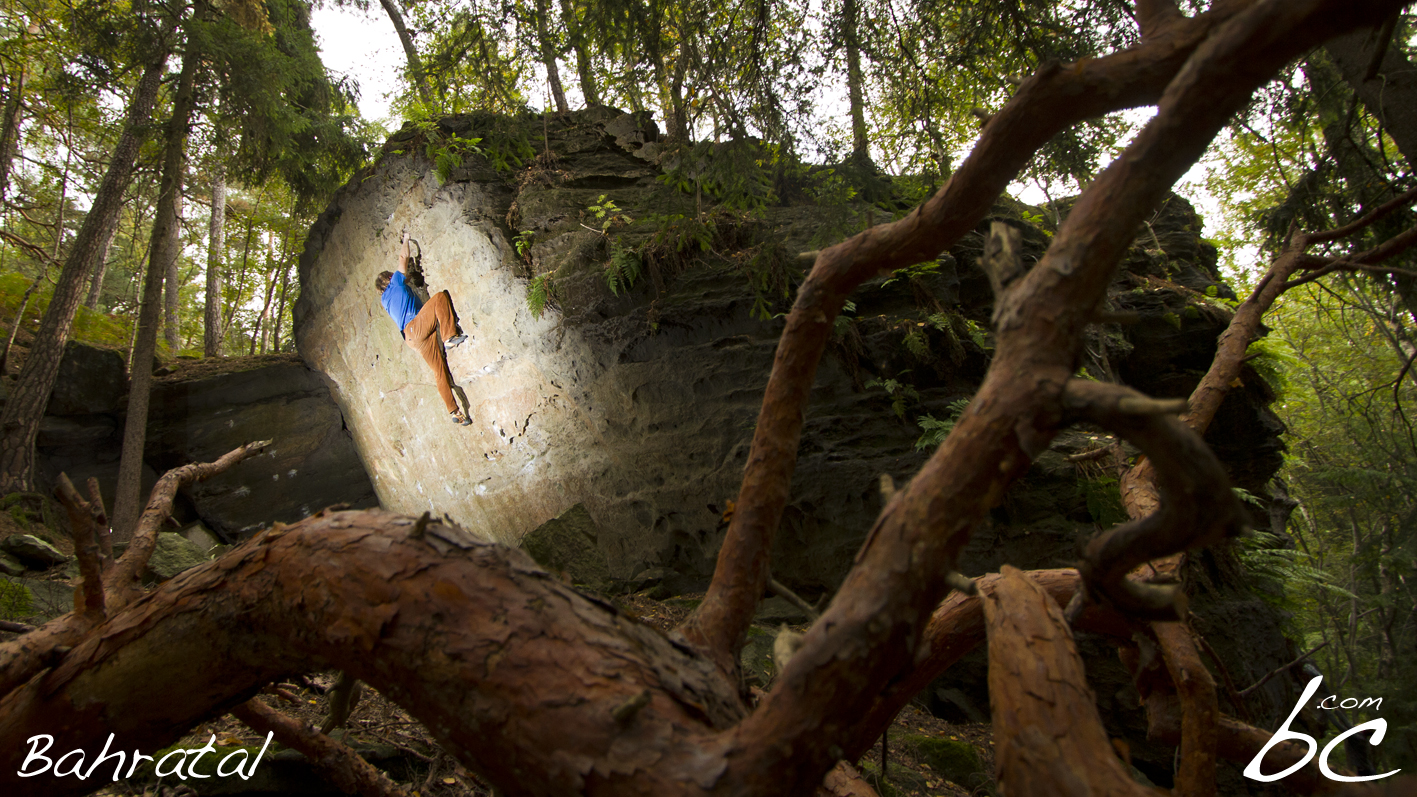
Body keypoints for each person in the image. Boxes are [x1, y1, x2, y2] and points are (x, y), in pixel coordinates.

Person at [375, 230, 472, 425]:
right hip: (415, 327)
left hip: (412, 339)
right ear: (389, 278)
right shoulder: (395, 282)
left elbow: (406, 290)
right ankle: (449, 337)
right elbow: (404, 257)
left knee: (439, 371)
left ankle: (454, 412)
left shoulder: (385, 301)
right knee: (439, 298)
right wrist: (406, 239)